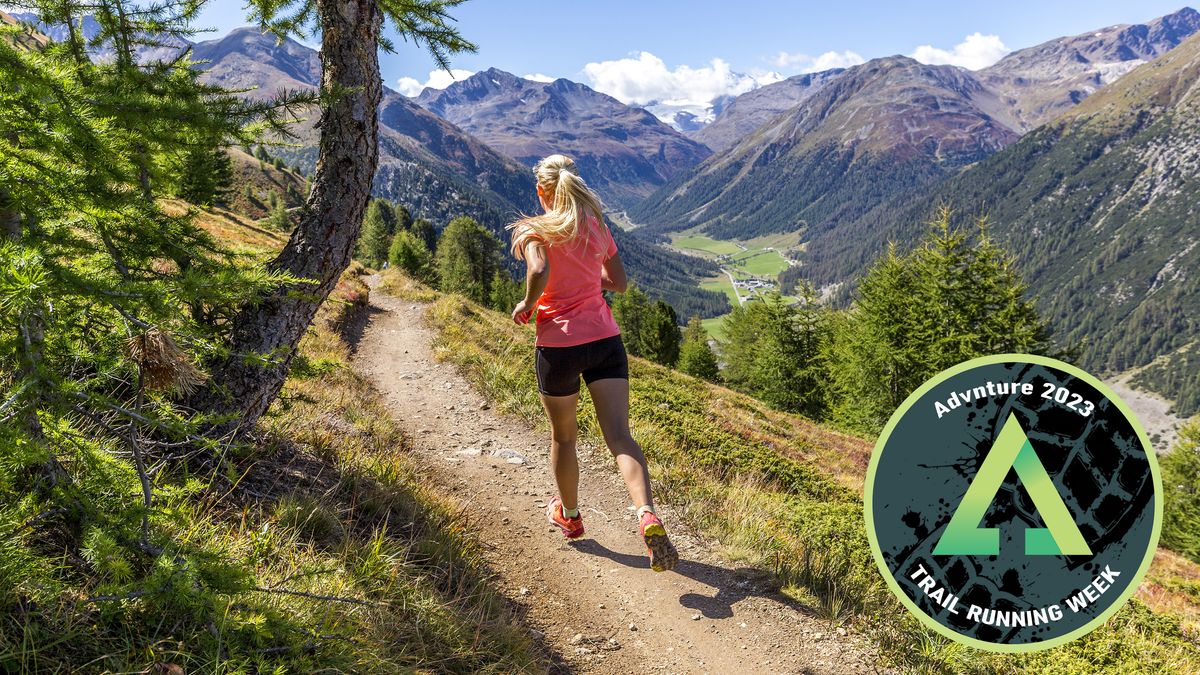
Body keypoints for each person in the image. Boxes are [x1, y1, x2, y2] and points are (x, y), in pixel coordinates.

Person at [508, 154, 678, 572]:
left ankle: (569, 515)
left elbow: (541, 269)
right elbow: (618, 283)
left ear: (542, 192)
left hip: (559, 346)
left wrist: (528, 304)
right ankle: (646, 514)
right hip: (605, 341)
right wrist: (587, 281)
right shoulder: (598, 227)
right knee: (620, 437)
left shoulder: (533, 230)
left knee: (565, 439)